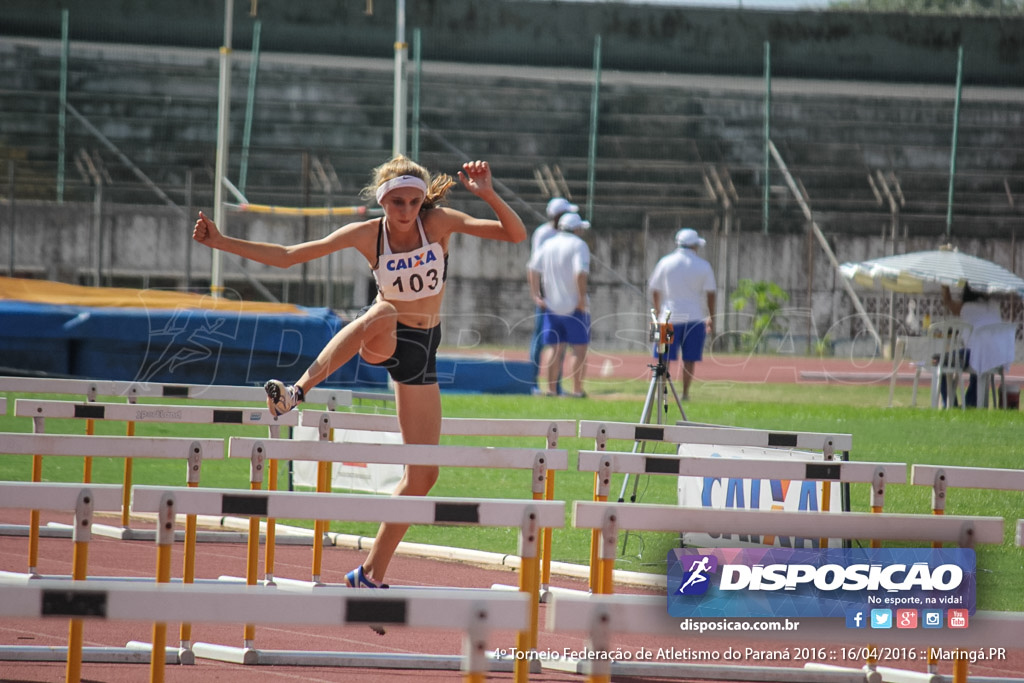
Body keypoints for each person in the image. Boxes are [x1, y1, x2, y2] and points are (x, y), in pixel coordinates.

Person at [192, 156, 526, 588]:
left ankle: (368, 573)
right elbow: (290, 256)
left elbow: (515, 235)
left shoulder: (439, 223)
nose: (405, 211)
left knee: (423, 475)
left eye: (413, 201)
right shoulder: (369, 234)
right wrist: (220, 242)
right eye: (397, 202)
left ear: (423, 200)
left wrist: (488, 195)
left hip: (422, 352)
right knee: (383, 310)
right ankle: (296, 391)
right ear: (382, 201)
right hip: (384, 337)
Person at [647, 228, 716, 401]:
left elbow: (654, 289)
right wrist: (711, 317)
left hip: (667, 318)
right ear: (694, 246)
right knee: (690, 359)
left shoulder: (665, 262)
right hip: (694, 318)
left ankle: (661, 393)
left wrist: (656, 312)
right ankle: (685, 393)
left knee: (663, 358)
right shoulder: (703, 265)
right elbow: (711, 293)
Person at [527, 211, 591, 397]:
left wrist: (536, 295)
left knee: (553, 348)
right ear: (576, 229)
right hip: (574, 306)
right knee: (579, 349)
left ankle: (551, 389)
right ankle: (577, 389)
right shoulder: (579, 245)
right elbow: (580, 273)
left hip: (551, 306)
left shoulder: (548, 244)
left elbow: (532, 268)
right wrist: (580, 299)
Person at [940, 283, 1003, 407]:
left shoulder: (967, 307)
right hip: (997, 357)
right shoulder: (995, 306)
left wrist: (945, 287)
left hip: (975, 354)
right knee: (976, 368)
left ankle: (951, 403)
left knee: (941, 361)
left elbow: (949, 303)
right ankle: (971, 403)